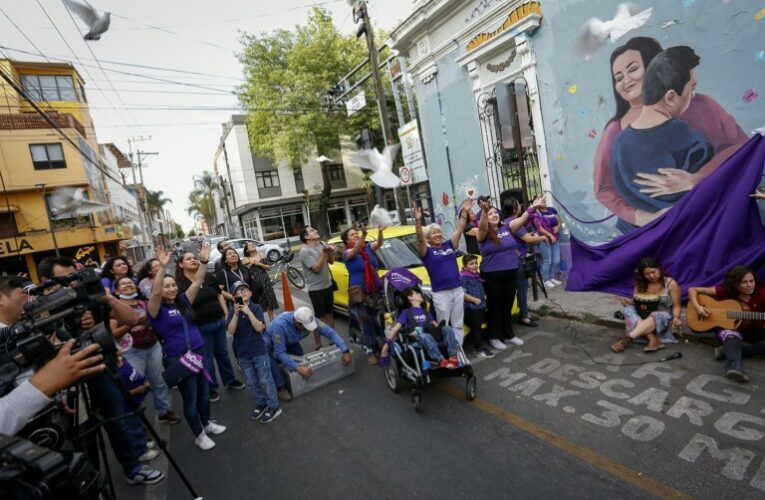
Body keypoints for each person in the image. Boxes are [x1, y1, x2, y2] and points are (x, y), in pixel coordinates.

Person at [593, 36, 747, 231]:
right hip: (644, 233)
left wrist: (697, 179)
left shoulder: (699, 105)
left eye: (633, 69)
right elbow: (603, 189)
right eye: (618, 77)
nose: (626, 81)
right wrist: (643, 218)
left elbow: (740, 146)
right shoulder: (615, 132)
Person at [36, 257, 164, 485]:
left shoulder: (89, 299)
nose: (70, 286)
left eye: (72, 279)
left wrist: (105, 297)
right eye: (62, 282)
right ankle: (92, 483)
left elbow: (131, 318)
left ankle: (133, 468)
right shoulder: (40, 311)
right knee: (85, 436)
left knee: (118, 420)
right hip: (70, 382)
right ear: (46, 282)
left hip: (103, 369)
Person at [611, 46, 713, 230]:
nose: (693, 95)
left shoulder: (620, 143)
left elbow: (624, 194)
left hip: (642, 240)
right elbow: (718, 181)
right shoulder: (683, 134)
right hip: (686, 234)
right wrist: (695, 181)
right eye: (692, 88)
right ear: (671, 97)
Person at [0, 276, 105, 436]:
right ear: (1, 299)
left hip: (52, 414)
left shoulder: (28, 326)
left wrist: (54, 395)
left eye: (34, 293)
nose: (33, 298)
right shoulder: (8, 336)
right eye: (25, 293)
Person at [148, 245, 227, 451]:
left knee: (203, 393)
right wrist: (163, 268)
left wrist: (203, 261)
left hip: (198, 351)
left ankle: (207, 423)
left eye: (173, 285)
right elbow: (156, 293)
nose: (171, 289)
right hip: (180, 358)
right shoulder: (156, 310)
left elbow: (199, 281)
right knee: (190, 398)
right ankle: (198, 435)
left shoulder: (183, 301)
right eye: (167, 286)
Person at [477, 196, 545, 351]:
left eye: (495, 213)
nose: (493, 215)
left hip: (511, 272)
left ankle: (509, 334)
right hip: (492, 275)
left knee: (507, 305)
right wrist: (484, 211)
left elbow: (522, 219)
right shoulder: (483, 234)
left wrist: (533, 207)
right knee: (496, 307)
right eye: (490, 214)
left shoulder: (507, 227)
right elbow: (481, 228)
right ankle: (494, 337)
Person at [176, 251, 245, 403]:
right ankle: (211, 388)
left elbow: (219, 294)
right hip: (200, 326)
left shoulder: (207, 277)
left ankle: (230, 380)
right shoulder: (179, 284)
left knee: (223, 353)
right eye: (189, 259)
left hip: (218, 322)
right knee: (206, 359)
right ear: (181, 264)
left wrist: (226, 312)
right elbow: (185, 303)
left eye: (194, 258)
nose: (193, 260)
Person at [109, 277, 179, 424]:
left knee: (159, 382)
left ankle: (164, 411)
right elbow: (113, 334)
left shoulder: (144, 304)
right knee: (136, 388)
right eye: (123, 284)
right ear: (116, 291)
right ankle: (138, 422)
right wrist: (132, 322)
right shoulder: (116, 309)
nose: (128, 285)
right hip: (131, 352)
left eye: (130, 282)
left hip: (153, 347)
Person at [689, 265, 765, 382]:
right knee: (731, 334)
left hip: (752, 329)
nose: (749, 285)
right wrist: (698, 307)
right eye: (744, 282)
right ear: (735, 284)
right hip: (728, 328)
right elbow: (692, 290)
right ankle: (734, 366)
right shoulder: (725, 291)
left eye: (752, 281)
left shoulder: (761, 294)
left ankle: (727, 351)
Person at [414, 199, 473, 345]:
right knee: (444, 326)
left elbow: (459, 230)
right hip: (441, 294)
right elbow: (420, 240)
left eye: (439, 232)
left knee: (458, 324)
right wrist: (417, 221)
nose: (437, 235)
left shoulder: (448, 245)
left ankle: (458, 351)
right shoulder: (426, 251)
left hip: (457, 290)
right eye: (433, 233)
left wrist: (464, 212)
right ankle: (448, 351)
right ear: (428, 237)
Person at [226, 281, 281, 423]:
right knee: (251, 381)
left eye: (245, 289)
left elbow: (259, 328)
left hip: (258, 351)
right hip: (243, 353)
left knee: (265, 379)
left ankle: (274, 406)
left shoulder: (256, 308)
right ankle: (261, 403)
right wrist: (237, 314)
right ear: (234, 297)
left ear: (250, 293)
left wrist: (248, 311)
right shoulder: (233, 311)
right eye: (238, 291)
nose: (242, 292)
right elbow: (231, 331)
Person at [611, 257, 682, 354]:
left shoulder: (670, 284)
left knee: (655, 315)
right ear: (642, 275)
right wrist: (630, 302)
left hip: (661, 316)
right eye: (647, 274)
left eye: (653, 272)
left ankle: (628, 339)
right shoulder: (640, 283)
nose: (651, 276)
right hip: (642, 315)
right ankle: (653, 339)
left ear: (659, 269)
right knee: (628, 309)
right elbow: (638, 302)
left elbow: (677, 306)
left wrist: (676, 317)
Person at [265, 307, 351, 385]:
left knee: (300, 358)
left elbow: (330, 333)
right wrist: (298, 368)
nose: (309, 329)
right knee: (271, 360)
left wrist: (345, 350)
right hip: (271, 340)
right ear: (297, 323)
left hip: (291, 339)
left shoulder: (308, 319)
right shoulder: (279, 325)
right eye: (306, 327)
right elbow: (280, 352)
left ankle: (291, 371)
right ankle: (280, 385)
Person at [380, 287, 460, 368]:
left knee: (447, 328)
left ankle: (453, 357)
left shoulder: (426, 312)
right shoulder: (406, 312)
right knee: (425, 336)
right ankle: (441, 360)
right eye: (416, 293)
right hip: (417, 337)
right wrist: (386, 344)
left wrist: (442, 327)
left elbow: (436, 326)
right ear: (410, 298)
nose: (419, 294)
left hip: (431, 335)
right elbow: (395, 329)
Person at [342, 224, 385, 365]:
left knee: (378, 319)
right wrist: (364, 235)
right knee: (365, 323)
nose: (356, 235)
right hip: (359, 294)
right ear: (346, 241)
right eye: (352, 235)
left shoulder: (367, 248)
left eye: (356, 233)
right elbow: (355, 250)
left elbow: (379, 243)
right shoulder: (347, 253)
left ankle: (381, 345)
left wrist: (379, 232)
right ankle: (370, 351)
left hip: (374, 291)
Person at [506, 198, 549, 324]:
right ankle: (524, 317)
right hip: (519, 260)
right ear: (515, 209)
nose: (521, 207)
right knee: (522, 288)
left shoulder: (508, 221)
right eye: (519, 205)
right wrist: (542, 237)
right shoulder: (515, 222)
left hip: (513, 260)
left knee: (520, 289)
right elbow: (528, 239)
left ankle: (523, 313)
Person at [298, 226, 337, 349]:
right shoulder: (305, 251)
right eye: (312, 230)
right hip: (316, 290)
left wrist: (329, 252)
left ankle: (333, 339)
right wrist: (324, 253)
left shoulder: (322, 244)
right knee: (320, 318)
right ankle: (318, 344)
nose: (316, 231)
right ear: (307, 237)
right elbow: (316, 268)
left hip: (328, 285)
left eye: (315, 229)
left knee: (330, 314)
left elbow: (331, 262)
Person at [459, 254, 493, 358]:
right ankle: (477, 349)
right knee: (476, 329)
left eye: (475, 263)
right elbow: (462, 293)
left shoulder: (476, 275)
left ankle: (481, 346)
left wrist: (484, 295)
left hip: (480, 305)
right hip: (472, 307)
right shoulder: (464, 277)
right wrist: (475, 300)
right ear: (465, 267)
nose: (475, 266)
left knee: (479, 327)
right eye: (471, 264)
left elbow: (479, 287)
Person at [529, 197, 562, 289]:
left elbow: (559, 221)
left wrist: (558, 227)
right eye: (541, 201)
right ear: (537, 203)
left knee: (556, 260)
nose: (544, 201)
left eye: (544, 200)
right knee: (548, 260)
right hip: (544, 239)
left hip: (555, 238)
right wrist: (549, 235)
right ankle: (545, 280)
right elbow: (539, 227)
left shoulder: (552, 210)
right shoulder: (536, 213)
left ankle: (551, 278)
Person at [243, 241, 279, 321]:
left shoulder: (261, 254)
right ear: (247, 250)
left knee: (269, 301)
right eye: (250, 245)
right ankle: (261, 323)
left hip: (265, 280)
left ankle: (272, 321)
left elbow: (269, 268)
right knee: (258, 302)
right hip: (254, 283)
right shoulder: (245, 259)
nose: (252, 245)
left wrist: (259, 264)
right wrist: (251, 264)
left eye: (253, 244)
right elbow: (245, 272)